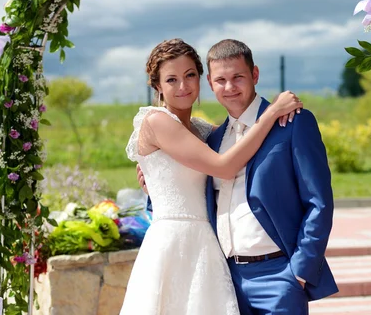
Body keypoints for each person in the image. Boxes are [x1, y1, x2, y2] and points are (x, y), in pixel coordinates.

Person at [138, 39, 338, 314]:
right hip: (223, 277)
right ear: (211, 83)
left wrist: (299, 271)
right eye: (221, 80)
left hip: (279, 276)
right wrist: (154, 186)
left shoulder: (293, 123)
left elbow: (319, 202)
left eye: (238, 77)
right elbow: (190, 183)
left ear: (254, 75)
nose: (229, 87)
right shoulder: (213, 138)